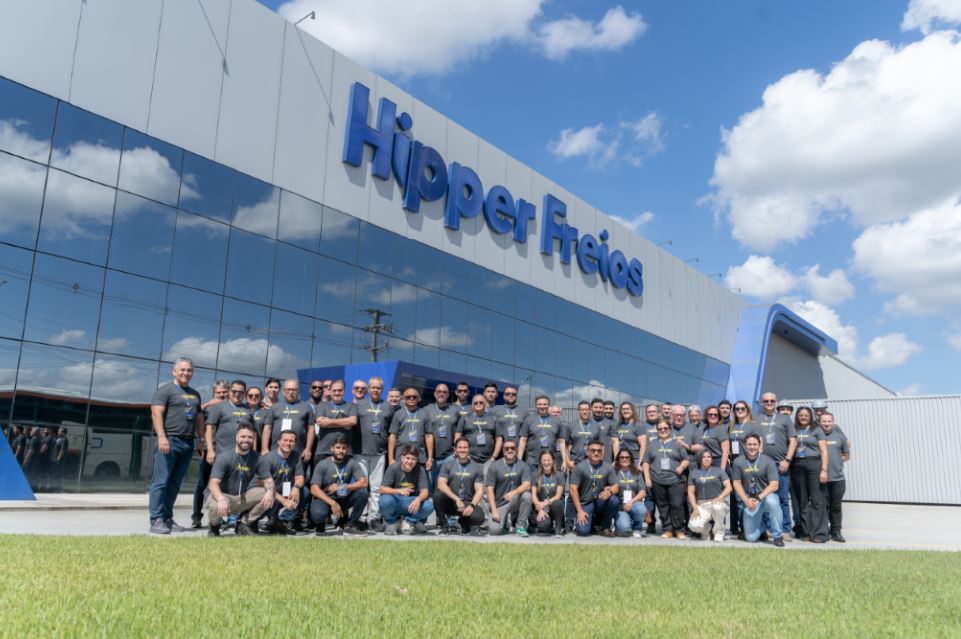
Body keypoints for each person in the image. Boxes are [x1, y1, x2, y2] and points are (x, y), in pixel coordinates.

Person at [149, 358, 203, 535]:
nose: (186, 373)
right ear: (174, 371)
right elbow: (156, 414)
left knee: (174, 484)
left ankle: (167, 518)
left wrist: (200, 439)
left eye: (189, 370)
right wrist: (162, 437)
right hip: (170, 441)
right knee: (161, 481)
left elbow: (199, 419)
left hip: (187, 443)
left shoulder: (195, 394)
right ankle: (156, 519)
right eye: (182, 370)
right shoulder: (165, 390)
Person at [206, 423, 274, 537]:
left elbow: (269, 481)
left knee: (270, 493)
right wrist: (221, 499)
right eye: (243, 436)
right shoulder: (224, 457)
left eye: (249, 437)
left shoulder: (258, 458)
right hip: (224, 496)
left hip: (242, 496)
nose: (246, 440)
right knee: (215, 505)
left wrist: (270, 492)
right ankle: (214, 527)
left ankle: (243, 524)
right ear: (236, 437)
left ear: (253, 439)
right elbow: (213, 483)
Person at [756, 391, 798, 539]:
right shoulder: (755, 418)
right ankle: (768, 528)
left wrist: (787, 460)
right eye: (766, 401)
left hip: (781, 464)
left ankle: (785, 529)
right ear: (761, 403)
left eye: (772, 401)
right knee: (765, 498)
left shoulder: (784, 419)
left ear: (776, 402)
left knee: (783, 499)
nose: (769, 403)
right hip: (763, 465)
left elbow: (793, 441)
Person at [355, 376, 394, 531]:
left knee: (376, 487)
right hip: (360, 451)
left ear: (382, 389)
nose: (375, 390)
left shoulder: (388, 407)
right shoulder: (359, 405)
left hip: (379, 452)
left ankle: (374, 518)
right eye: (373, 387)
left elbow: (391, 431)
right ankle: (361, 517)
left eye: (378, 388)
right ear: (368, 389)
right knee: (362, 486)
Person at [731, 433, 784, 547]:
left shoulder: (768, 461)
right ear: (745, 445)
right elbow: (736, 483)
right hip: (750, 501)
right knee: (751, 538)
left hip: (764, 498)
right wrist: (746, 500)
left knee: (773, 502)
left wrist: (759, 498)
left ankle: (777, 536)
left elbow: (774, 485)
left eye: (755, 444)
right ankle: (762, 527)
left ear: (759, 446)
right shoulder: (738, 461)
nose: (752, 447)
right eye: (749, 444)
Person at [309, 435, 368, 535]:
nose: (341, 451)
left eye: (343, 448)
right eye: (338, 448)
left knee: (363, 493)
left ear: (347, 450)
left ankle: (350, 525)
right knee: (318, 514)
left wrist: (343, 487)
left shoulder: (352, 463)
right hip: (326, 500)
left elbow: (364, 483)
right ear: (332, 448)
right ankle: (321, 522)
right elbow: (313, 489)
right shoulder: (323, 464)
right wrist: (332, 503)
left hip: (343, 498)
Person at [190, 381, 228, 527]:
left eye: (224, 392)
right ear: (214, 393)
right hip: (207, 451)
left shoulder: (230, 408)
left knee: (221, 486)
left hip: (224, 452)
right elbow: (193, 415)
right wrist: (205, 405)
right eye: (218, 392)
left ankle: (219, 519)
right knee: (201, 484)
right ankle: (196, 517)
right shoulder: (207, 408)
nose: (221, 395)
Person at [643, 420, 689, 539]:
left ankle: (679, 530)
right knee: (662, 506)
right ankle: (667, 529)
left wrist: (681, 467)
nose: (663, 430)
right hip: (657, 480)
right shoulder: (652, 444)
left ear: (670, 429)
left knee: (677, 505)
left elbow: (686, 459)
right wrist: (647, 478)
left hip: (675, 480)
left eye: (665, 428)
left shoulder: (677, 443)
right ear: (657, 431)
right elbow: (646, 462)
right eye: (660, 429)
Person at [791, 406, 829, 543]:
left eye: (806, 415)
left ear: (811, 416)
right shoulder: (794, 429)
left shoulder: (817, 429)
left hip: (814, 464)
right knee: (802, 500)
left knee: (817, 500)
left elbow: (824, 451)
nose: (803, 417)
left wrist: (824, 470)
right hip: (798, 465)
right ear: (797, 416)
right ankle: (806, 532)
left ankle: (819, 533)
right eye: (801, 415)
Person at [433, 437, 486, 535]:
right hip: (450, 501)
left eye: (465, 447)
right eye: (460, 447)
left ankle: (463, 522)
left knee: (479, 517)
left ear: (469, 449)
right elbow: (441, 484)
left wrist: (472, 505)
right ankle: (444, 526)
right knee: (437, 496)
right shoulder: (447, 465)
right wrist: (457, 499)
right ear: (455, 449)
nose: (462, 450)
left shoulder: (477, 467)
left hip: (466, 502)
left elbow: (479, 490)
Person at [378, 445, 433, 535]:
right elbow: (381, 489)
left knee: (429, 506)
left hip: (411, 502)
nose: (410, 461)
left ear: (416, 460)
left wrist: (418, 499)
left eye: (413, 459)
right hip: (396, 500)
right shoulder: (393, 468)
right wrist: (399, 491)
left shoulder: (420, 470)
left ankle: (409, 521)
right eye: (407, 458)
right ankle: (391, 522)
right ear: (402, 458)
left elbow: (425, 492)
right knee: (384, 500)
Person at [568, 442, 620, 537]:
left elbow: (616, 486)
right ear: (588, 452)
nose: (596, 453)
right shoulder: (580, 467)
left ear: (602, 452)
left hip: (600, 501)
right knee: (583, 532)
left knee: (614, 500)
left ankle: (605, 527)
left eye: (599, 451)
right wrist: (580, 511)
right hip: (585, 503)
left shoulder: (607, 467)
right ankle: (591, 524)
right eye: (593, 450)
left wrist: (609, 492)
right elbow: (573, 489)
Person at [260, 429, 304, 535]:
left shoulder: (296, 456)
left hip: (286, 490)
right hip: (269, 491)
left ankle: (282, 521)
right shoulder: (268, 458)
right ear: (279, 441)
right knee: (267, 496)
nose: (288, 443)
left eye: (291, 441)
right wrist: (283, 501)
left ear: (295, 443)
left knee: (304, 492)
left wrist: (296, 488)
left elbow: (300, 477)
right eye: (285, 440)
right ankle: (250, 521)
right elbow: (262, 484)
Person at [262, 380, 314, 468]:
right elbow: (267, 428)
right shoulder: (274, 406)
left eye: (294, 390)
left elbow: (311, 429)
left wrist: (308, 449)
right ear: (283, 391)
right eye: (288, 389)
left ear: (298, 391)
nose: (291, 392)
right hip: (276, 450)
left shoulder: (307, 406)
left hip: (298, 452)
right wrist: (264, 448)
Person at [486, 440, 532, 537]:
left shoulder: (523, 465)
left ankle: (521, 526)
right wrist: (494, 510)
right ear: (503, 451)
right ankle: (504, 522)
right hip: (500, 503)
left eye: (512, 448)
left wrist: (513, 493)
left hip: (515, 500)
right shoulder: (494, 466)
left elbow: (527, 485)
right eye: (507, 448)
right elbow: (489, 490)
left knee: (527, 496)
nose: (510, 450)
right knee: (494, 531)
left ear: (516, 450)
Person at [687, 450, 731, 542]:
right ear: (700, 459)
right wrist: (694, 508)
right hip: (702, 504)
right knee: (693, 525)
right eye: (703, 457)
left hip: (717, 502)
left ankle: (719, 532)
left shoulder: (718, 471)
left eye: (708, 457)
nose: (706, 459)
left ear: (711, 459)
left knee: (717, 507)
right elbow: (690, 492)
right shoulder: (693, 473)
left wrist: (719, 497)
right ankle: (706, 530)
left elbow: (729, 487)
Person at [821, 412, 850, 542]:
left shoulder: (840, 437)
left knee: (836, 506)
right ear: (820, 422)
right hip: (821, 478)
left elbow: (847, 455)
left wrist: (837, 461)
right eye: (824, 421)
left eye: (829, 421)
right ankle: (824, 530)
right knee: (823, 506)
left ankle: (836, 531)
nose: (826, 424)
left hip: (838, 479)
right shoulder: (816, 436)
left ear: (833, 422)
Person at [424, 384, 458, 491]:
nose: (441, 394)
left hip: (448, 456)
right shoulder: (426, 410)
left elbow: (458, 431)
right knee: (429, 486)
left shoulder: (454, 411)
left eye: (444, 392)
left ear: (448, 395)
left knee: (445, 487)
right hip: (430, 457)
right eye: (439, 391)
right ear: (435, 394)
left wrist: (457, 446)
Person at [727, 400, 754, 538]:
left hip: (749, 465)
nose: (740, 411)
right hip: (734, 465)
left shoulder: (752, 425)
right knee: (738, 498)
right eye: (737, 409)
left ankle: (750, 527)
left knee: (749, 496)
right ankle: (741, 528)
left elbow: (759, 446)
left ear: (747, 410)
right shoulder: (731, 426)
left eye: (742, 408)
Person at [519, 395, 567, 472]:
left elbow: (562, 442)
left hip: (551, 462)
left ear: (548, 405)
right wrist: (519, 460)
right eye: (539, 404)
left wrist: (564, 461)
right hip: (532, 462)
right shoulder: (529, 420)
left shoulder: (557, 420)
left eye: (545, 404)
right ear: (536, 405)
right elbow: (523, 440)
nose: (542, 406)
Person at [387, 388, 430, 473]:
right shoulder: (398, 414)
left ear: (419, 398)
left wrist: (430, 458)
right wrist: (391, 459)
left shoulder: (424, 413)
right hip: (400, 456)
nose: (411, 398)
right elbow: (393, 436)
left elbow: (429, 436)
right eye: (408, 396)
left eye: (414, 396)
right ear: (403, 399)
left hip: (419, 457)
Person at [314, 380, 358, 459]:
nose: (337, 393)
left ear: (344, 391)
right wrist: (344, 423)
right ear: (330, 391)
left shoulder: (351, 406)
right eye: (334, 390)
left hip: (344, 451)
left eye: (340, 390)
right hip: (324, 451)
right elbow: (321, 423)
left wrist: (328, 422)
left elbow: (353, 421)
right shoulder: (322, 405)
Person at [454, 394, 497, 472]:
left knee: (486, 479)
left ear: (485, 404)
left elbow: (499, 438)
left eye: (481, 402)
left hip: (488, 460)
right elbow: (458, 434)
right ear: (472, 405)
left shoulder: (493, 418)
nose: (478, 404)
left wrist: (494, 457)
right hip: (469, 458)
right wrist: (458, 450)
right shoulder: (465, 418)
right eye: (475, 403)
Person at [613, 450, 647, 537]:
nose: (624, 459)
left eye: (627, 457)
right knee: (623, 528)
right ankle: (622, 524)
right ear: (618, 459)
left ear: (631, 459)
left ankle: (637, 528)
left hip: (634, 503)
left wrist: (631, 502)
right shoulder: (613, 472)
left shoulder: (636, 472)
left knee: (641, 509)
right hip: (620, 506)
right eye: (622, 457)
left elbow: (643, 492)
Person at [531, 450, 565, 536]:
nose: (546, 463)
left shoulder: (559, 475)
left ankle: (558, 528)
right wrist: (540, 509)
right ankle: (547, 525)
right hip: (540, 507)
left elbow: (558, 496)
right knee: (543, 526)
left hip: (553, 506)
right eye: (544, 460)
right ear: (540, 462)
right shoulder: (535, 475)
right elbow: (533, 495)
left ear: (553, 461)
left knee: (558, 503)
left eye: (548, 460)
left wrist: (546, 502)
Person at [491, 384, 527, 458]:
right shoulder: (495, 410)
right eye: (508, 394)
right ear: (504, 396)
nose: (511, 395)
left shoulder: (524, 412)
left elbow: (526, 434)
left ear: (516, 396)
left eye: (513, 394)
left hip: (517, 451)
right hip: (500, 451)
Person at [613, 402, 646, 469]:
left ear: (632, 411)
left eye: (628, 409)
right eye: (623, 409)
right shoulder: (618, 426)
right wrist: (616, 460)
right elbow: (616, 444)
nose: (625, 411)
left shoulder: (638, 425)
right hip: (621, 459)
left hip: (634, 459)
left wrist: (640, 463)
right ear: (620, 412)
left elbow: (643, 445)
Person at [699, 405, 730, 470]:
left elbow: (726, 451)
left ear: (719, 416)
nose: (713, 416)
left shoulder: (721, 429)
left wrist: (722, 469)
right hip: (706, 461)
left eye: (715, 415)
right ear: (706, 416)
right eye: (710, 414)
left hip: (717, 461)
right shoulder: (704, 429)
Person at [50, 427, 68, 493]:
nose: (58, 432)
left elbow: (62, 450)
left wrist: (58, 458)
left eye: (59, 431)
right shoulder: (58, 439)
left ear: (63, 432)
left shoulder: (64, 440)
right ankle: (54, 488)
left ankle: (58, 489)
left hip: (60, 461)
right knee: (54, 474)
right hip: (54, 460)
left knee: (58, 475)